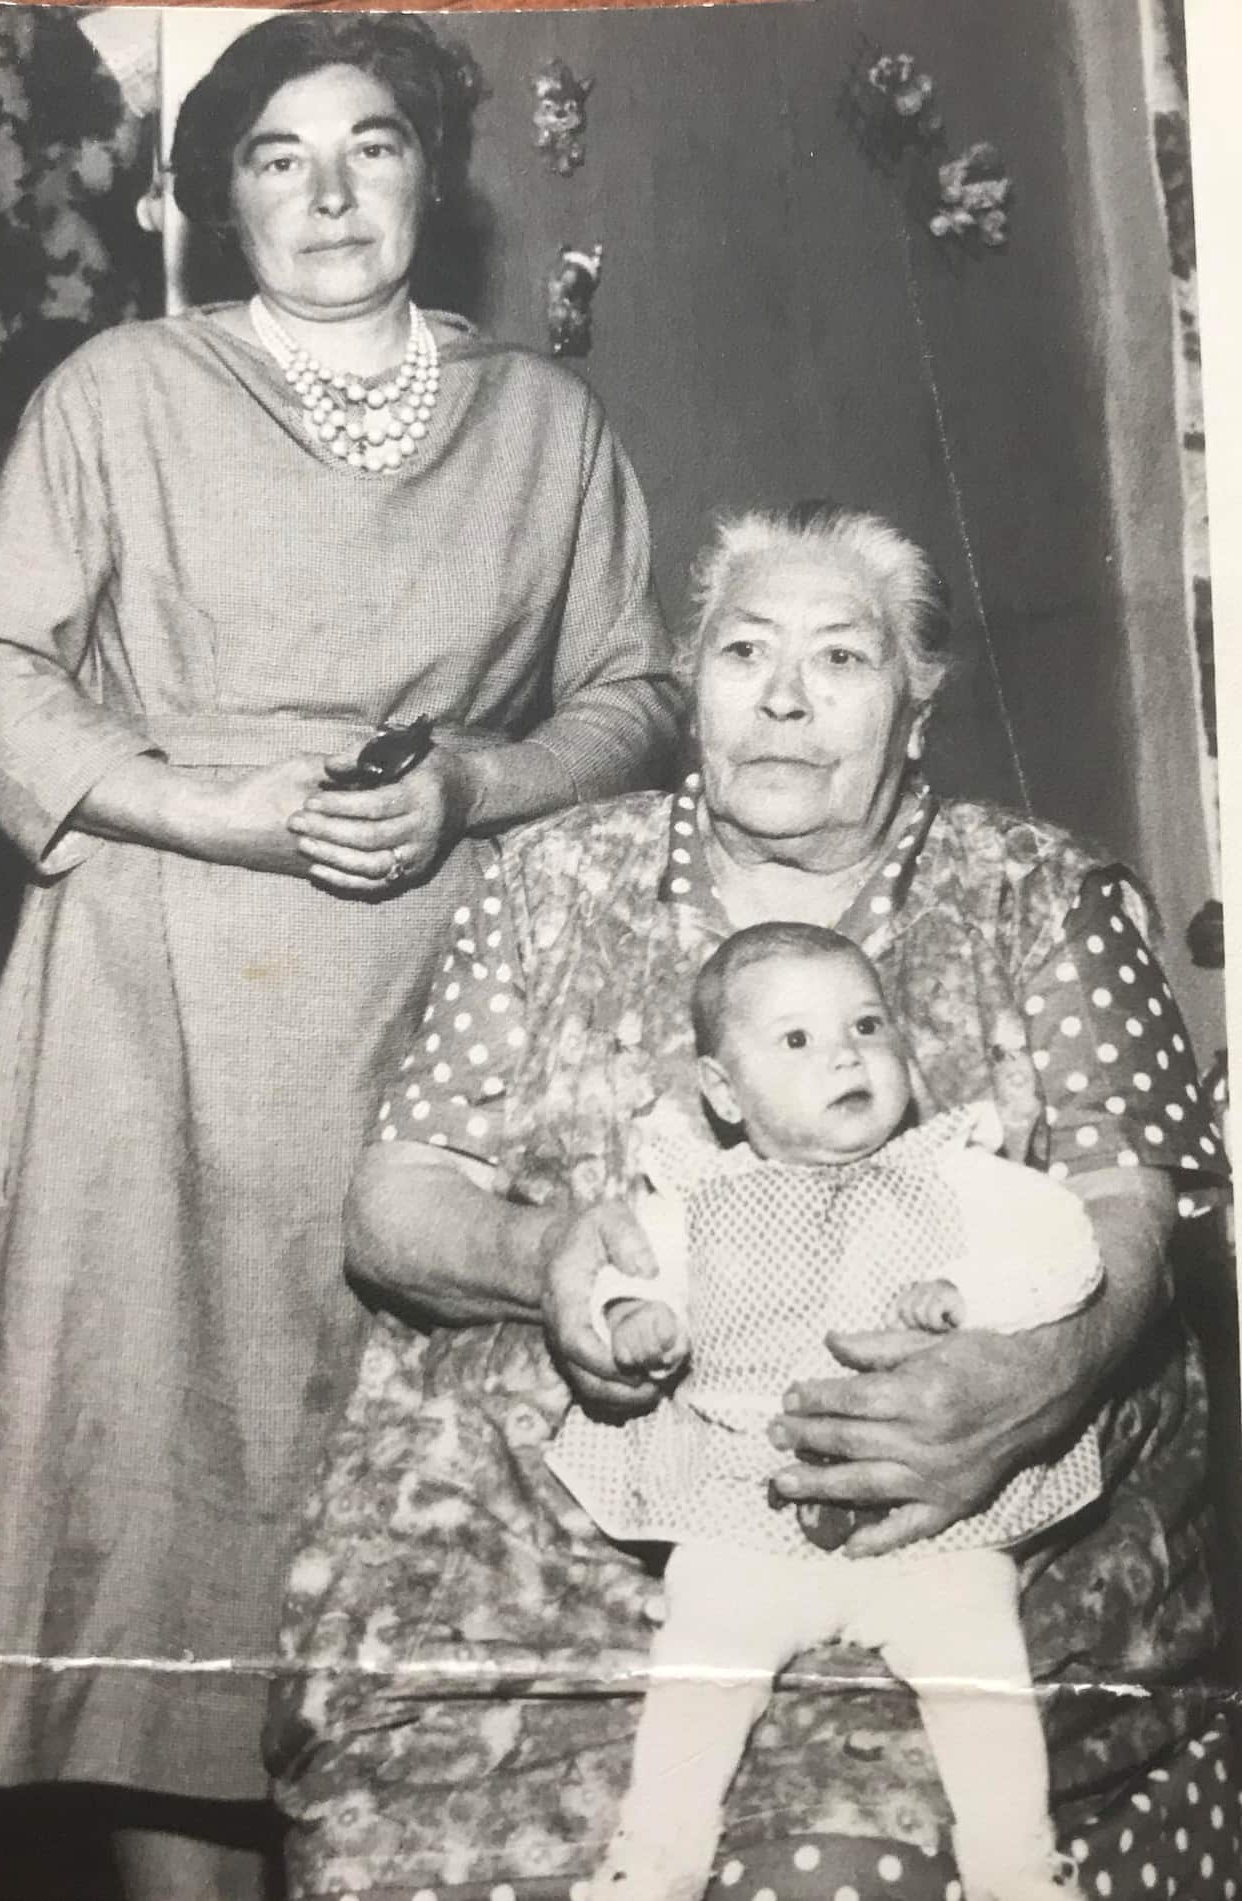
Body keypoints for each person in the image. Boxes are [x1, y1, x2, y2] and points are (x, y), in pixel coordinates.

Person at [269, 501, 1234, 1900]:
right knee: (403, 1822)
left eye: (840, 656)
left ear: (916, 709)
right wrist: (549, 1254)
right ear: (691, 689)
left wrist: (1036, 1379)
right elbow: (395, 1205)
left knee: (873, 1845)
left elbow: (1127, 1220)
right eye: (742, 652)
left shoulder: (1048, 897)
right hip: (557, 1535)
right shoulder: (544, 883)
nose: (783, 696)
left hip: (954, 1520)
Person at [0, 13, 676, 1898]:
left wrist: (476, 784)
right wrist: (212, 811)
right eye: (279, 157)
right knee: (168, 1519)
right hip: (157, 1000)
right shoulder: (120, 392)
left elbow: (634, 693)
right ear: (223, 200)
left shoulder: (545, 425)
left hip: (450, 1004)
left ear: (431, 181)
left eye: (372, 146)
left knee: (421, 1504)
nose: (332, 193)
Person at [550, 921, 1107, 1901]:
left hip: (930, 1519)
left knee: (982, 1663)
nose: (846, 1054)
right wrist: (637, 1315)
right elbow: (626, 1270)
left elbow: (1068, 1252)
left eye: (866, 1024)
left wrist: (973, 1294)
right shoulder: (698, 1197)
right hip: (746, 1511)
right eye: (797, 1039)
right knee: (699, 1662)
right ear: (724, 1091)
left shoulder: (955, 1176)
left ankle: (1018, 1867)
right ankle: (654, 1862)